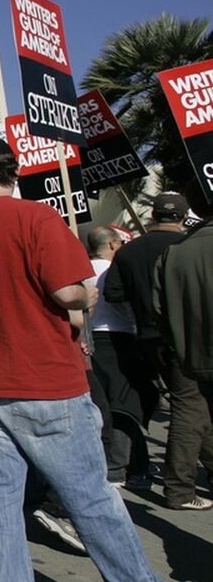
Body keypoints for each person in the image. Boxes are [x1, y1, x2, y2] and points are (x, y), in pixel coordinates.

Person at [0, 139, 204, 582]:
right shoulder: (37, 219)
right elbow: (65, 292)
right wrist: (87, 292)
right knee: (90, 497)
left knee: (3, 501)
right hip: (44, 379)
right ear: (15, 172)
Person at [105, 192, 211, 510]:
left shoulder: (133, 251)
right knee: (191, 411)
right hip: (183, 339)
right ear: (181, 216)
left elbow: (122, 295)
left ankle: (181, 484)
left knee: (192, 408)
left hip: (163, 340)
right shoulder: (179, 247)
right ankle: (178, 486)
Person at [86, 226, 154, 490]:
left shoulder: (81, 268)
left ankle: (133, 463)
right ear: (113, 244)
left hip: (90, 341)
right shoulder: (114, 270)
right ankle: (119, 467)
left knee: (106, 406)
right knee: (122, 406)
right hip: (117, 339)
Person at [154, 180, 213, 480]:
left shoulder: (174, 254)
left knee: (192, 416)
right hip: (190, 355)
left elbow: (159, 310)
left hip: (191, 357)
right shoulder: (174, 251)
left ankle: (179, 486)